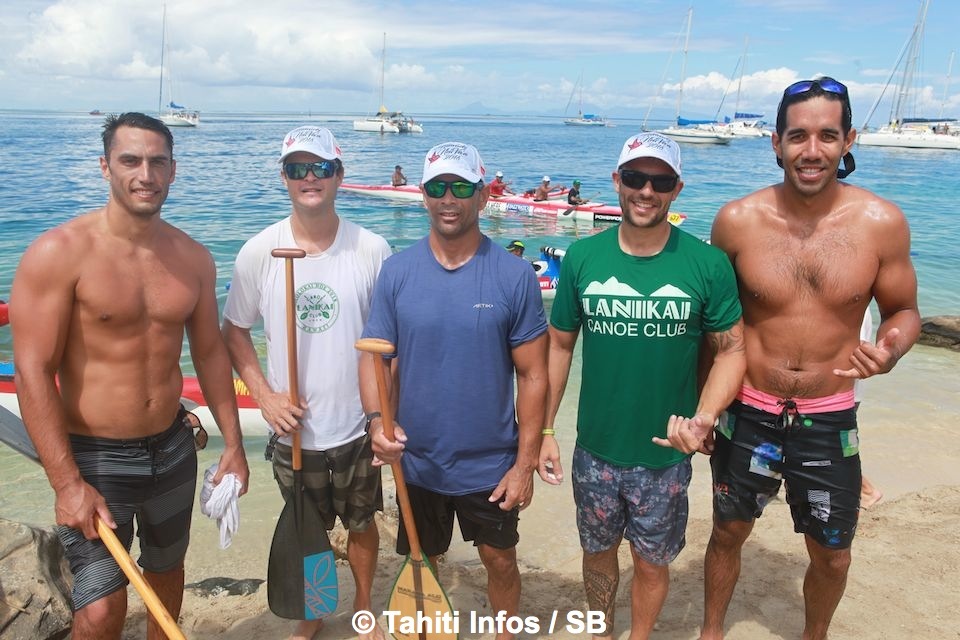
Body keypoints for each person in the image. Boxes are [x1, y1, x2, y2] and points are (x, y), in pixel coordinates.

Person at [9, 112, 250, 640]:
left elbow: (210, 353)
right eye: (130, 160)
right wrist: (67, 484)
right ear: (105, 167)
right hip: (95, 459)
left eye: (158, 162)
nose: (146, 174)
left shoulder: (192, 258)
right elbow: (33, 372)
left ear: (173, 170)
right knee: (100, 611)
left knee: (166, 575)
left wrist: (233, 445)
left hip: (172, 449)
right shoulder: (58, 254)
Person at [701, 77, 920, 640]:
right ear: (776, 142)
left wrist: (890, 349)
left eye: (827, 135)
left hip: (829, 417)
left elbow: (903, 311)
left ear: (848, 140)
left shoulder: (881, 223)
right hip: (747, 410)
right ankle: (711, 631)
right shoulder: (737, 221)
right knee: (727, 531)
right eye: (798, 136)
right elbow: (714, 328)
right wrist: (702, 410)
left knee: (833, 554)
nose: (812, 150)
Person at [537, 132, 746, 640]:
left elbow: (732, 351)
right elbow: (559, 347)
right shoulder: (583, 258)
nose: (646, 191)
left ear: (677, 189)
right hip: (596, 449)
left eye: (661, 181)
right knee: (597, 552)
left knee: (652, 562)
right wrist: (545, 431)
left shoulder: (707, 263)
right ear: (617, 181)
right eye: (635, 177)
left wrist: (704, 419)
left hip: (666, 453)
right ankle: (602, 630)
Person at [361, 141, 548, 640]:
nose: (449, 198)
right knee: (423, 560)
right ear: (423, 195)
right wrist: (377, 423)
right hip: (416, 460)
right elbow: (375, 359)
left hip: (490, 463)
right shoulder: (397, 272)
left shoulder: (514, 275)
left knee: (500, 561)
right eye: (438, 187)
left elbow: (534, 376)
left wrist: (524, 464)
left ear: (482, 196)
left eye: (461, 187)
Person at [221, 126, 391, 640]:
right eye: (298, 168)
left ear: (339, 175)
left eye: (320, 167)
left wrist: (386, 416)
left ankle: (364, 604)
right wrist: (264, 396)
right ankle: (313, 609)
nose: (309, 177)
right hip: (294, 430)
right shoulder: (259, 251)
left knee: (362, 523)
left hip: (358, 424)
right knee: (307, 526)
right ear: (284, 177)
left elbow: (391, 341)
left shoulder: (371, 248)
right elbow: (234, 331)